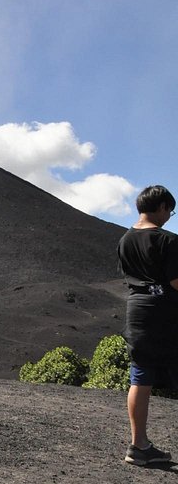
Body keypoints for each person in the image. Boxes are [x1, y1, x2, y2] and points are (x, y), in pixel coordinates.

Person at [118, 185, 178, 467]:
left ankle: (138, 445)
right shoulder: (169, 241)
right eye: (171, 210)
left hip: (137, 311)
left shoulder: (125, 240)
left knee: (140, 375)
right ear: (163, 207)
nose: (170, 216)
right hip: (166, 313)